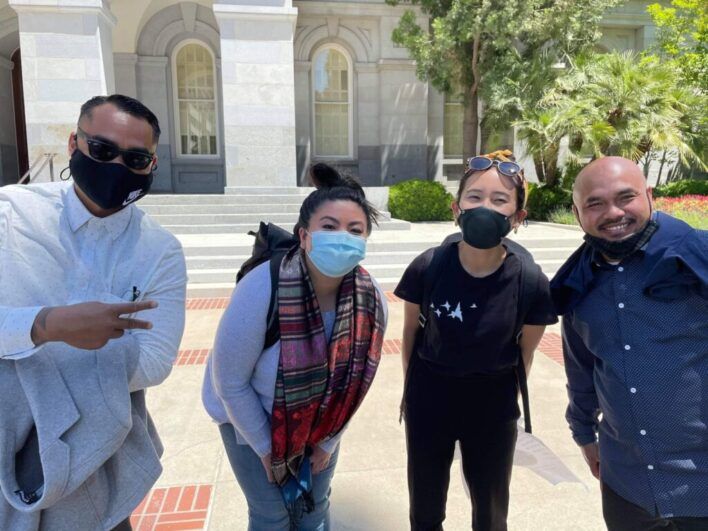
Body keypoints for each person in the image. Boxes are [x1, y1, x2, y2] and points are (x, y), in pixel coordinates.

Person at [0, 94, 187, 530]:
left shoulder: (159, 251)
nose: (117, 166)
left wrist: (26, 352)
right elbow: (132, 357)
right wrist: (47, 326)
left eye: (136, 158)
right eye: (102, 150)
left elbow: (155, 361)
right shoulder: (11, 214)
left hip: (96, 454)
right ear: (74, 143)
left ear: (151, 166)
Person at [202, 165, 387, 530]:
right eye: (329, 227)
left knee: (315, 507)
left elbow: (355, 386)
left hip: (323, 422)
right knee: (272, 515)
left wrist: (329, 442)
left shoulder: (371, 301)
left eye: (355, 230)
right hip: (249, 417)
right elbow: (230, 383)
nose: (342, 237)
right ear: (304, 235)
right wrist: (267, 448)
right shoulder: (263, 287)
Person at [395, 150, 558, 531]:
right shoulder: (428, 265)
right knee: (425, 505)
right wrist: (411, 389)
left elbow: (526, 354)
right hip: (429, 397)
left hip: (492, 405)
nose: (485, 206)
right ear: (457, 208)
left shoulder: (531, 282)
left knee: (490, 509)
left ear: (517, 218)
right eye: (475, 197)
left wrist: (506, 406)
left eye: (500, 200)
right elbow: (410, 333)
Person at [550, 156, 707, 531]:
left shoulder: (697, 259)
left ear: (649, 196)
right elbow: (582, 368)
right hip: (628, 486)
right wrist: (583, 432)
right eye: (595, 203)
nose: (613, 212)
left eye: (626, 197)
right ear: (577, 213)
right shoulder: (578, 283)